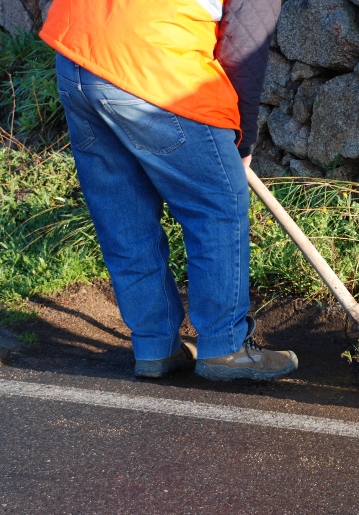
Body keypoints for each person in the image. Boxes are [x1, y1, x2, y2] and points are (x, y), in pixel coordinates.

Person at [39, 0, 297, 381]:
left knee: (123, 213)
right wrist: (242, 140)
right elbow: (245, 47)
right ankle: (225, 348)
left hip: (78, 50)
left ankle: (155, 347)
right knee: (216, 207)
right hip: (152, 59)